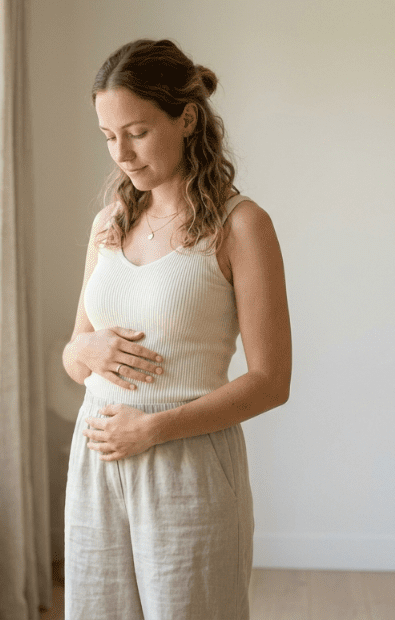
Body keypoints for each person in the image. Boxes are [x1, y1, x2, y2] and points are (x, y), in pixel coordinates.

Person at [61, 38, 292, 620]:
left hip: (186, 464)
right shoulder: (109, 224)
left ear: (186, 118)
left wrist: (153, 429)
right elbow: (73, 357)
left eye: (137, 132)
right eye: (108, 137)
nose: (122, 153)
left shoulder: (242, 226)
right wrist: (86, 347)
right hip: (96, 461)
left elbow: (271, 382)